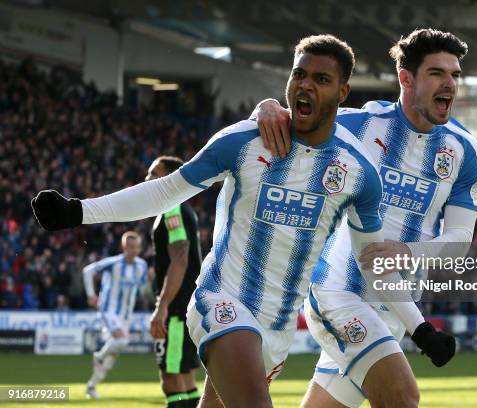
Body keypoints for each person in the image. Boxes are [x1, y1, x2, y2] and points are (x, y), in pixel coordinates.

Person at [31, 35, 401, 408]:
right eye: (298, 74)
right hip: (221, 300)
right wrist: (78, 211)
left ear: (343, 91)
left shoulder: (358, 170)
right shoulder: (245, 140)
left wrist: (416, 325)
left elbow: (372, 259)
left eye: (321, 79)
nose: (305, 84)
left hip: (276, 329)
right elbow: (164, 191)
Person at [255, 28, 477, 408]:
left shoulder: (463, 150)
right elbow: (288, 118)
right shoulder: (359, 126)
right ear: (405, 78)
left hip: (396, 308)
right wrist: (264, 107)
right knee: (401, 394)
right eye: (437, 73)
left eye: (454, 75)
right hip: (337, 291)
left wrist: (406, 253)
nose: (450, 84)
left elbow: (459, 240)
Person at [147, 156, 203, 408]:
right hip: (185, 305)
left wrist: (162, 306)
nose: (147, 179)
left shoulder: (173, 209)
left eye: (153, 173)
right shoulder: (179, 209)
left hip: (177, 309)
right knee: (186, 379)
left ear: (169, 178)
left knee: (170, 380)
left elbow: (180, 258)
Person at [82, 231, 149, 399]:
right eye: (130, 247)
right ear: (124, 247)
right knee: (122, 340)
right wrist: (91, 294)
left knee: (114, 353)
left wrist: (149, 283)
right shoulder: (113, 263)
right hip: (108, 309)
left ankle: (91, 386)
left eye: (136, 247)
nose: (133, 250)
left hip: (126, 315)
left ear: (140, 248)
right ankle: (98, 356)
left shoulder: (142, 266)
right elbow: (87, 271)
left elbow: (142, 289)